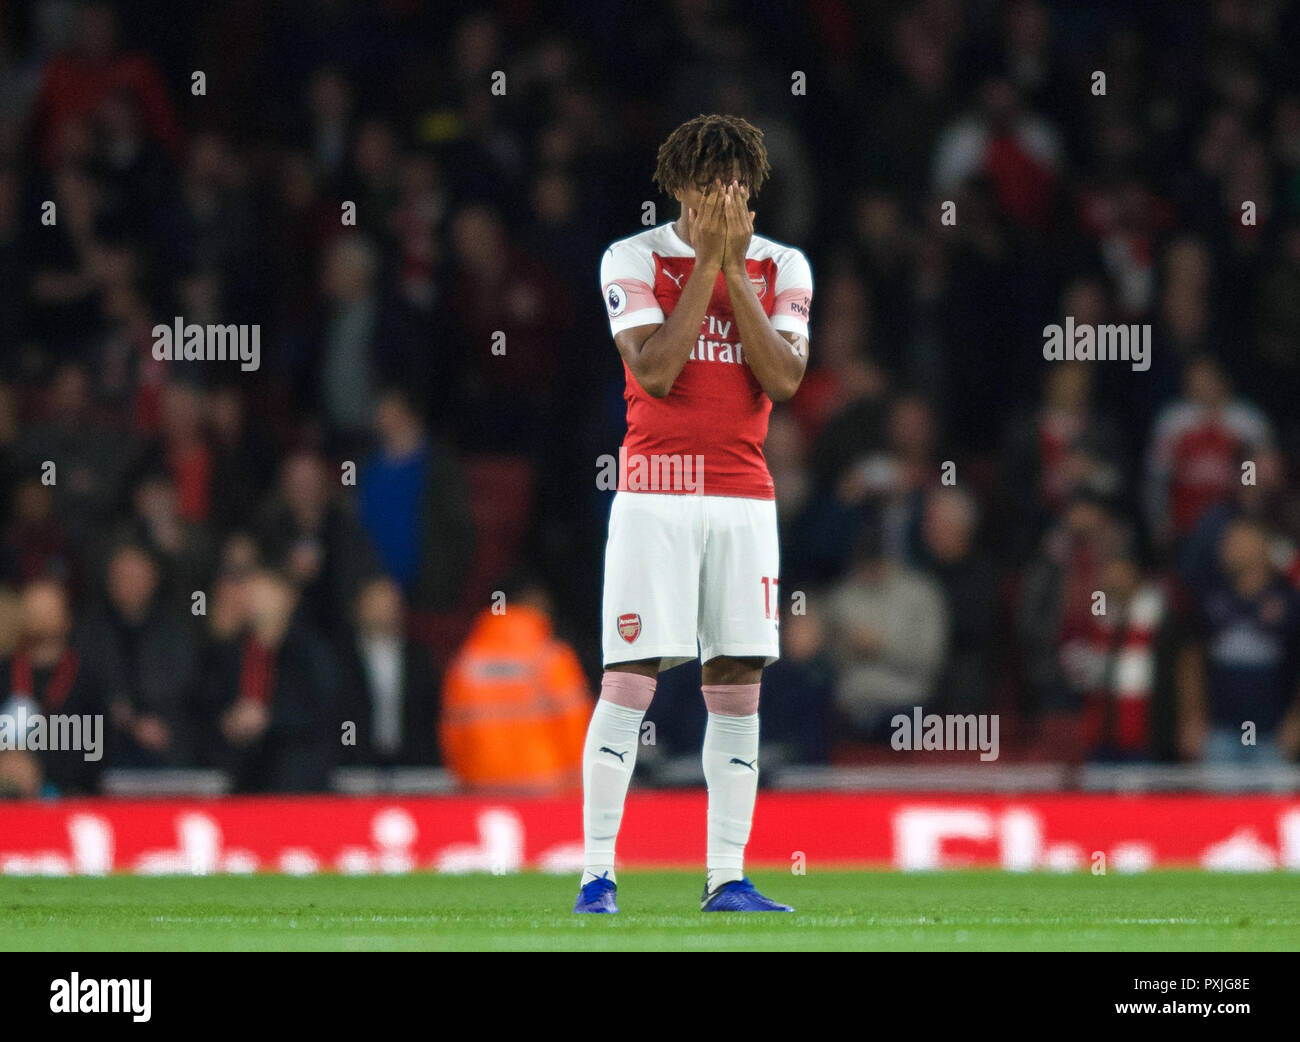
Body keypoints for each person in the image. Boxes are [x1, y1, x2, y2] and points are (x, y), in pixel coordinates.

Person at [576, 115, 813, 913]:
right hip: (655, 494)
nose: (727, 194)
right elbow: (656, 370)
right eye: (712, 181)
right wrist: (709, 264)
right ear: (677, 187)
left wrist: (732, 271)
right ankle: (598, 875)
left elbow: (782, 381)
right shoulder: (632, 257)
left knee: (739, 678)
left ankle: (726, 877)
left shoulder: (783, 266)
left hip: (745, 497)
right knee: (631, 677)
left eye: (740, 181)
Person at [440, 576, 589, 792]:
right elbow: (576, 729)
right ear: (533, 601)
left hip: (483, 792)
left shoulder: (466, 663)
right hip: (548, 791)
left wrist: (467, 782)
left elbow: (453, 736)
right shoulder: (550, 657)